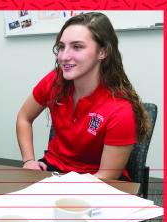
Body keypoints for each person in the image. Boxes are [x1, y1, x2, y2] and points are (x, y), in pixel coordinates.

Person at [16, 12, 150, 180]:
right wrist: (28, 160)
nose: (64, 57)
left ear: (102, 52)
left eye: (77, 46)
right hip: (53, 169)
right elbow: (24, 117)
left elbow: (106, 177)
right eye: (61, 47)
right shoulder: (54, 80)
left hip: (96, 181)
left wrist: (61, 187)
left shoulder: (120, 109)